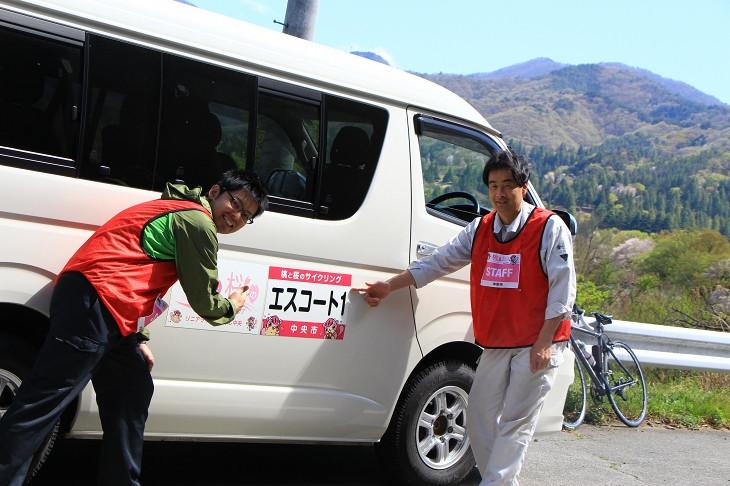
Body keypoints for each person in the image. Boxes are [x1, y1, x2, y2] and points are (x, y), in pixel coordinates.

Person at [0, 170, 268, 486]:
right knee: (43, 403)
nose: (235, 217)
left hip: (104, 307)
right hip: (96, 302)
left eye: (246, 216)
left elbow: (138, 269)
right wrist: (233, 305)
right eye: (236, 204)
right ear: (215, 191)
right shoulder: (197, 222)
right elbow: (205, 301)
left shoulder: (176, 207)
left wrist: (137, 336)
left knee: (132, 388)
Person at [355, 148, 576, 485]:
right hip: (498, 342)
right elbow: (437, 262)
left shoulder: (548, 228)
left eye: (507, 185)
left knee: (516, 422)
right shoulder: (480, 229)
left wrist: (545, 342)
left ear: (524, 186)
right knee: (478, 417)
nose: (499, 194)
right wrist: (390, 285)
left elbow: (564, 290)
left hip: (538, 342)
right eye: (493, 186)